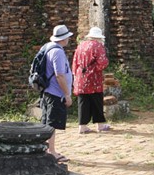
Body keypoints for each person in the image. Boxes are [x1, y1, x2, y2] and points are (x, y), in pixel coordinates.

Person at [40, 24, 74, 162]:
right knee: (52, 123)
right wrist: (67, 94)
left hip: (48, 90)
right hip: (55, 92)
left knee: (47, 122)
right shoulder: (58, 52)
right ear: (64, 38)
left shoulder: (47, 47)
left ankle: (45, 148)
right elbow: (59, 75)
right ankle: (51, 151)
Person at [72, 26, 110, 133]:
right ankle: (100, 125)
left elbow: (75, 62)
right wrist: (94, 69)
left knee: (83, 101)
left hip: (80, 76)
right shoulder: (98, 46)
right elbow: (103, 62)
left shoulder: (80, 45)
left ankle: (82, 126)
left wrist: (75, 74)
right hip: (93, 78)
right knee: (96, 100)